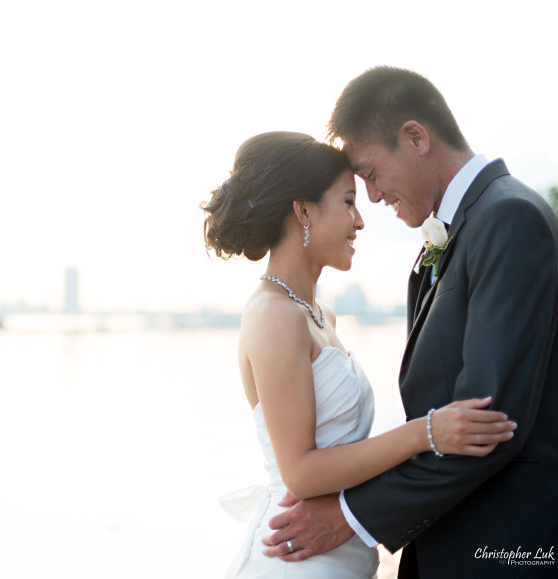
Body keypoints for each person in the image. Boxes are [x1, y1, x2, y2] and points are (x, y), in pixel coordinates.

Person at [262, 67, 558, 578]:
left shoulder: (509, 219)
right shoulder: (460, 232)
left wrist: (350, 517)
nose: (373, 199)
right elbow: (437, 419)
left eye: (372, 174)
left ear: (415, 137)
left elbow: (485, 424)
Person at [202, 131, 516, 578]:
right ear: (304, 210)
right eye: (348, 201)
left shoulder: (317, 313)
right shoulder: (275, 316)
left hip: (341, 553)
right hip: (298, 561)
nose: (360, 221)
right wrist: (425, 433)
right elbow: (301, 474)